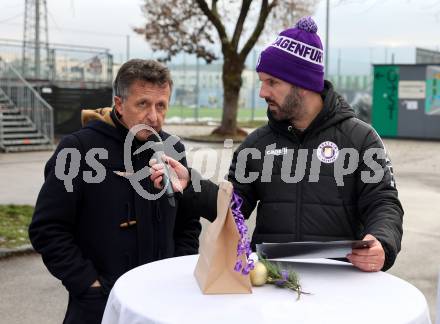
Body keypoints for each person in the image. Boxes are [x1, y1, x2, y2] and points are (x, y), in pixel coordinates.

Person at [151, 17, 403, 273]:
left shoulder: (360, 139)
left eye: (272, 82)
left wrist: (381, 240)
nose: (262, 92)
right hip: (270, 281)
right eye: (262, 81)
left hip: (339, 280)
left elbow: (383, 202)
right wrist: (191, 185)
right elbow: (234, 208)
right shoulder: (257, 144)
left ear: (303, 85)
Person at [28, 59, 207, 324]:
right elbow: (47, 228)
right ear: (119, 104)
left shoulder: (172, 148)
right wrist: (89, 285)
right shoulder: (78, 149)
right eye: (143, 104)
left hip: (165, 302)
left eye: (161, 105)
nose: (154, 117)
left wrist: (177, 270)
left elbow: (188, 221)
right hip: (100, 307)